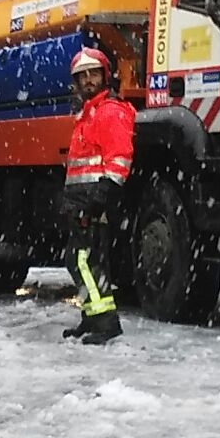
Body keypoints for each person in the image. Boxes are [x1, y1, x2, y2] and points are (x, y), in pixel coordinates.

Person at [61, 47, 134, 344]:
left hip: (92, 199)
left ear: (106, 75)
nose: (88, 80)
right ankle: (92, 317)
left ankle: (106, 322)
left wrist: (101, 196)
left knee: (83, 261)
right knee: (84, 260)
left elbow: (119, 157)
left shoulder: (109, 112)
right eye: (82, 76)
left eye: (94, 74)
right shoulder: (90, 113)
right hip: (82, 198)